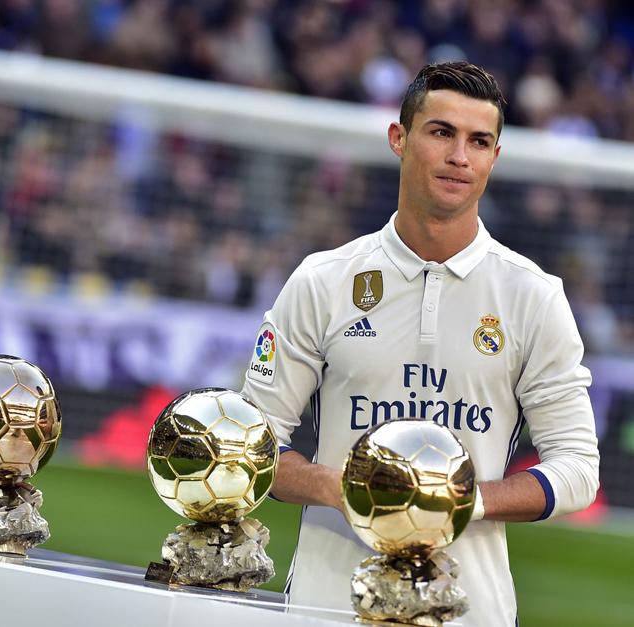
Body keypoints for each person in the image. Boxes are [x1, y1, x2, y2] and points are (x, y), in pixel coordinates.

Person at [240, 62, 599, 626]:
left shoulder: (534, 296)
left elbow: (577, 469)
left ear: (494, 158)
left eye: (479, 141)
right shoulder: (322, 280)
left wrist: (456, 500)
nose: (461, 156)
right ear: (399, 139)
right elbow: (251, 448)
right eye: (442, 133)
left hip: (469, 612)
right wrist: (339, 488)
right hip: (327, 606)